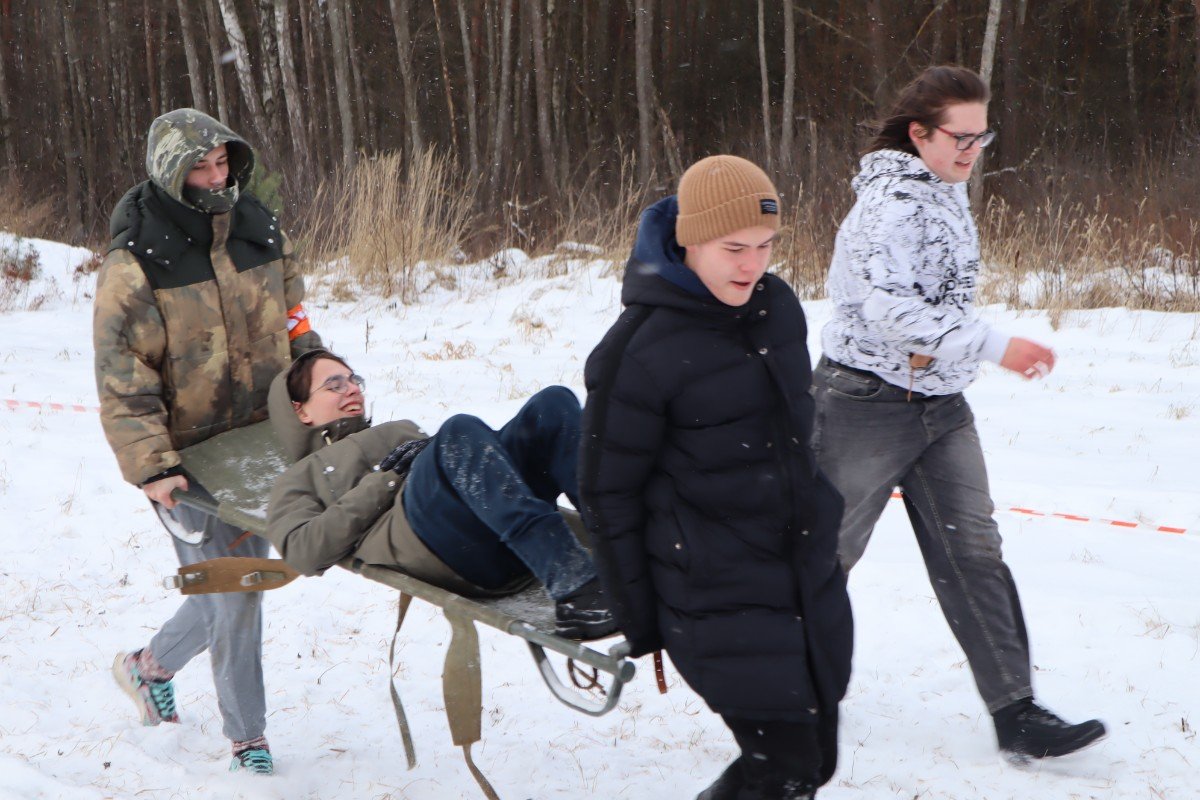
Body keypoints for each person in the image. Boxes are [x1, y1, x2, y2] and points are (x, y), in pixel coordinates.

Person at [813, 65, 1106, 761]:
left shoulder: (943, 188)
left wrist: (961, 354)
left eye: (982, 137)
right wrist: (995, 346)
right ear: (920, 134)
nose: (973, 151)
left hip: (940, 406)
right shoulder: (891, 203)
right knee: (822, 558)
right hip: (864, 403)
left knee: (973, 552)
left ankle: (1017, 712)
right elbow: (888, 309)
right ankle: (788, 693)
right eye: (961, 138)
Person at [578, 155, 852, 800]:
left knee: (811, 765)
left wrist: (821, 517)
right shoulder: (637, 351)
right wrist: (641, 619)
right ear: (690, 241)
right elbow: (607, 493)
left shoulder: (777, 309)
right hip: (713, 590)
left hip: (805, 576)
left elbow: (795, 439)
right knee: (785, 768)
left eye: (765, 245)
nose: (752, 265)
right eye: (734, 248)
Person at [94, 108, 322, 775]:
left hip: (266, 440)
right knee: (239, 589)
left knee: (233, 583)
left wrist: (320, 386)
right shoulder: (136, 257)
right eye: (200, 168)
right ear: (170, 172)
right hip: (188, 459)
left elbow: (296, 321)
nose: (216, 177)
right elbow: (122, 375)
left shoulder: (259, 227)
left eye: (223, 163)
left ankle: (148, 667)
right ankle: (249, 742)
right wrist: (153, 465)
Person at [264, 349, 616, 640]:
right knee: (459, 430)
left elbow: (478, 464)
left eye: (354, 380)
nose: (352, 389)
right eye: (335, 385)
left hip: (490, 528)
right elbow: (302, 551)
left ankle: (624, 546)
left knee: (552, 405)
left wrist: (434, 449)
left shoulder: (398, 429)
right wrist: (387, 478)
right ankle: (578, 591)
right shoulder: (299, 478)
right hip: (443, 548)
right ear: (301, 410)